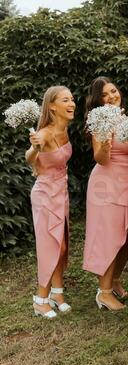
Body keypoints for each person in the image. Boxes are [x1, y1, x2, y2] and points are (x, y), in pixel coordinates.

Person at [83, 77, 128, 312]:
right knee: (109, 238)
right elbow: (101, 158)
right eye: (105, 95)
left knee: (126, 238)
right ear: (98, 101)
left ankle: (114, 279)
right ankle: (103, 293)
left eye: (113, 91)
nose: (112, 97)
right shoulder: (100, 121)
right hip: (106, 185)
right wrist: (105, 141)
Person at [25, 86, 75, 318]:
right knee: (50, 246)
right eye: (66, 100)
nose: (72, 103)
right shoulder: (44, 133)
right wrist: (35, 149)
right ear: (52, 106)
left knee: (62, 244)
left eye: (72, 99)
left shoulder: (64, 130)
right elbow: (29, 157)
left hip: (60, 193)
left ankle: (57, 293)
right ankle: (40, 298)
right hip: (45, 195)